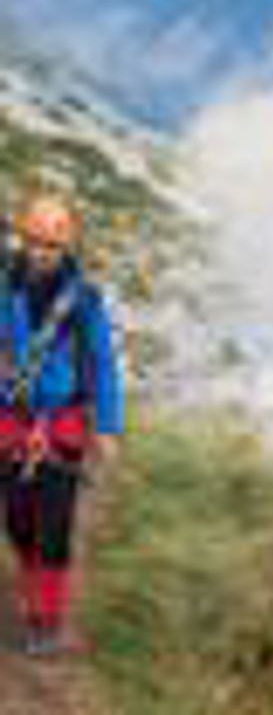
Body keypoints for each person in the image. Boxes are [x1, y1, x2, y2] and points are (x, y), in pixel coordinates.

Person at [0, 193, 122, 656]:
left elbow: (103, 362)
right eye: (34, 242)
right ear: (23, 238)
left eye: (51, 245)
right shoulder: (5, 284)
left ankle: (44, 621)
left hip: (62, 424)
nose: (41, 252)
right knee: (18, 523)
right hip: (10, 418)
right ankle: (32, 579)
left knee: (52, 529)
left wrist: (107, 425)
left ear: (65, 246)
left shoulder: (84, 299)